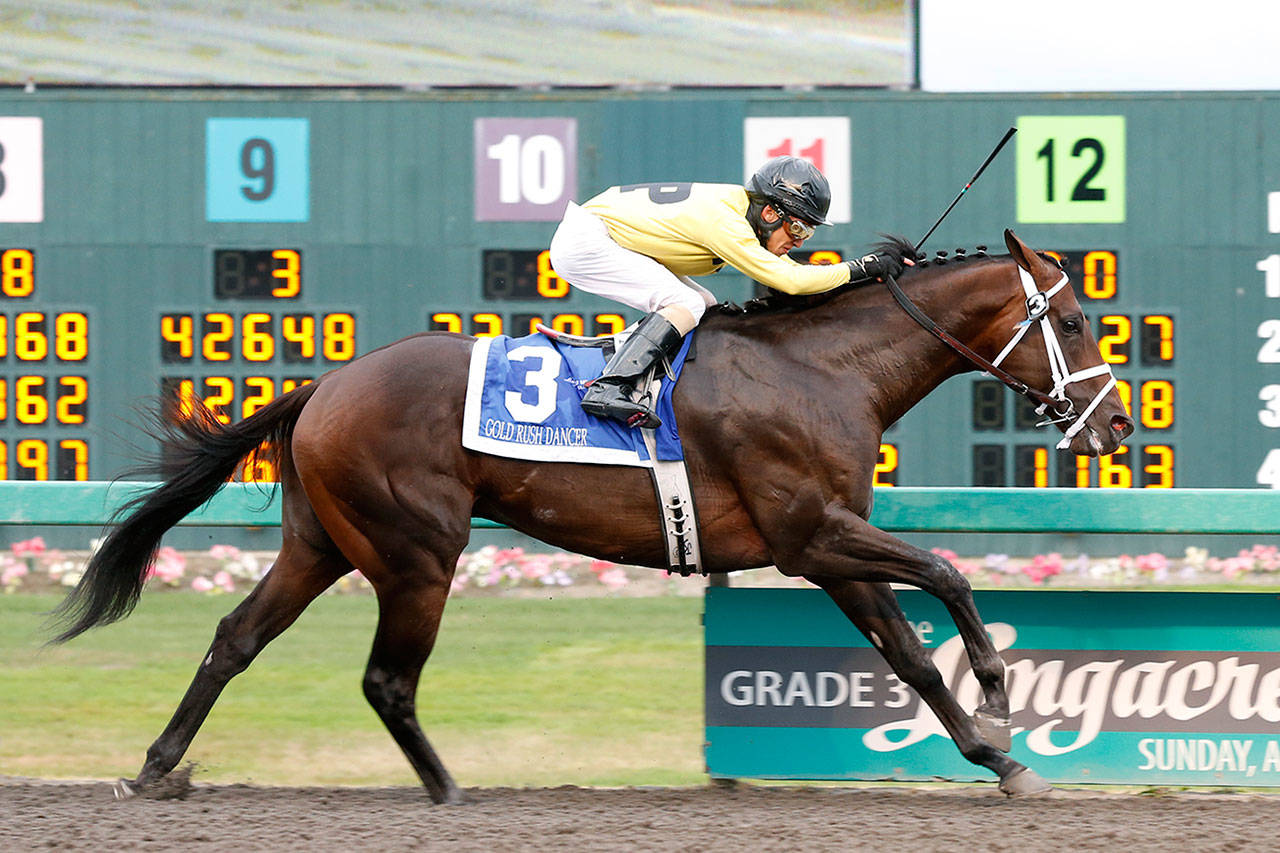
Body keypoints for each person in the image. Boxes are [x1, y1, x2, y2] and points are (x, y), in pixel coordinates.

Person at [548, 155, 906, 429]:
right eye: (797, 228)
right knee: (685, 302)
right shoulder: (727, 222)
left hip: (602, 233)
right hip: (586, 242)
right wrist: (864, 267)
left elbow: (794, 276)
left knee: (704, 305)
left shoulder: (738, 211)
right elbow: (791, 281)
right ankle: (609, 387)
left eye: (808, 232)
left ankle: (649, 382)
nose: (799, 241)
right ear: (770, 213)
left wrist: (860, 275)